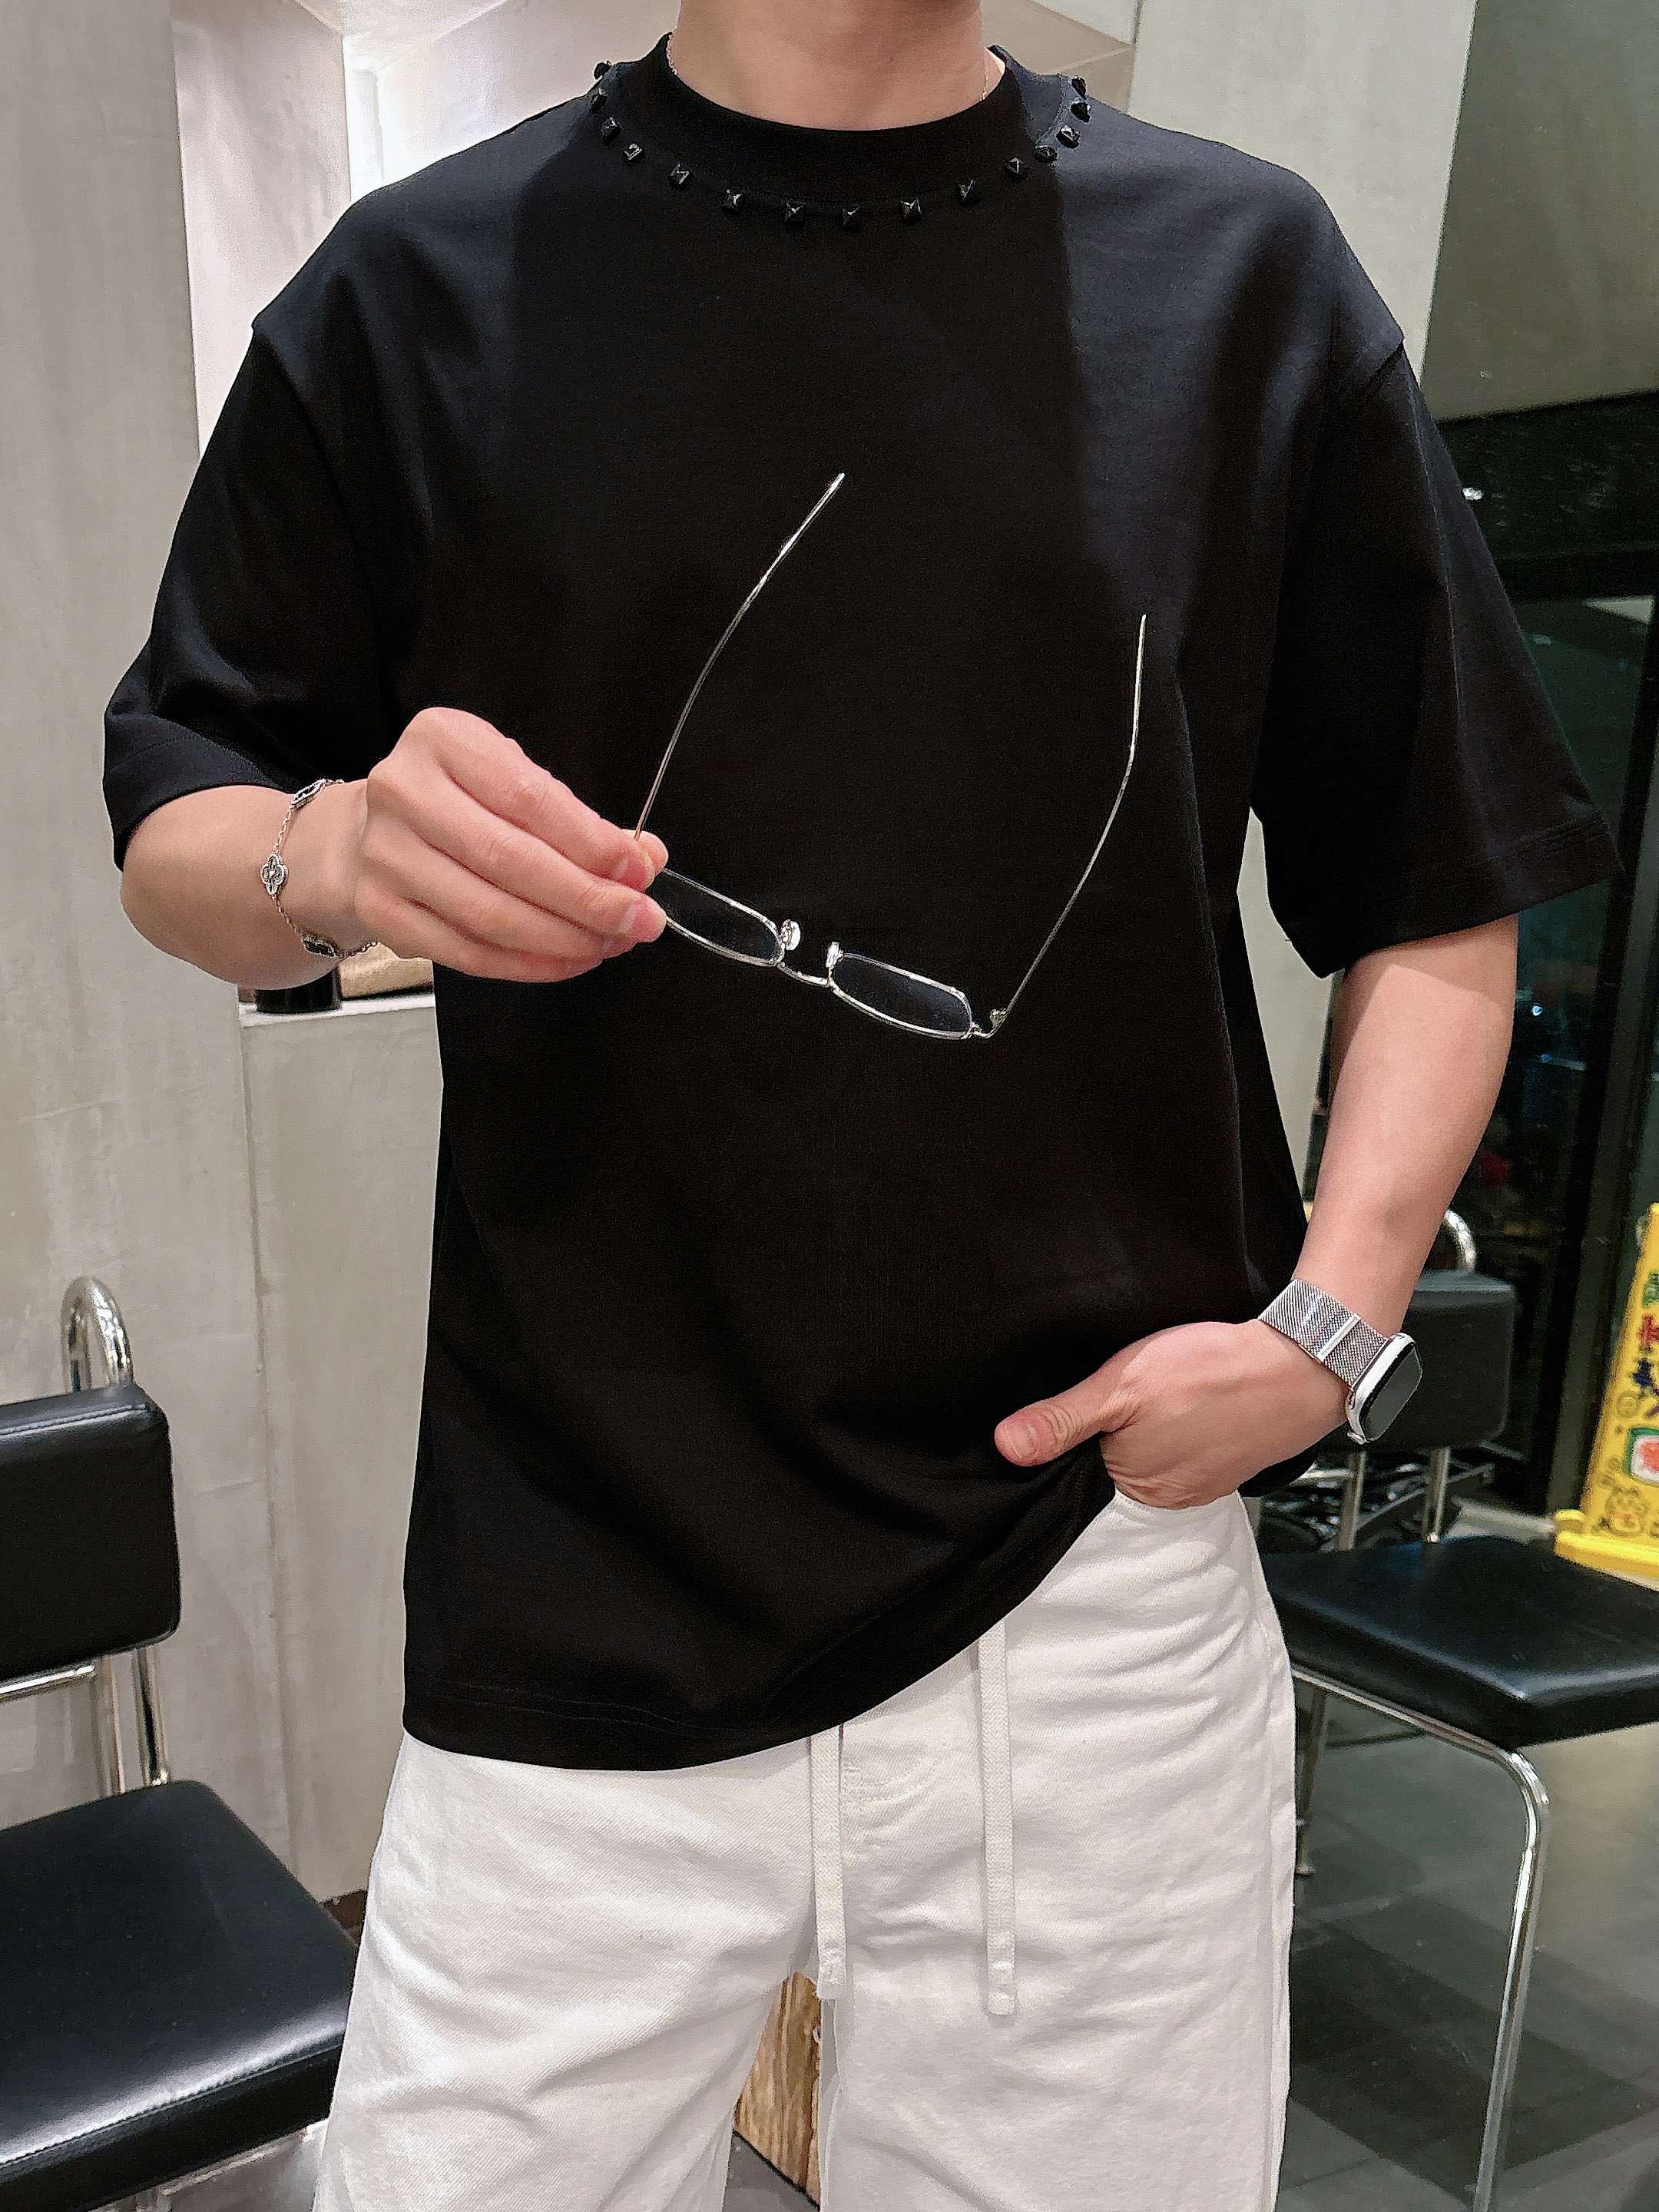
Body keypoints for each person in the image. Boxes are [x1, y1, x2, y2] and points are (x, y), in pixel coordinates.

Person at [103, 6, 1623, 2207]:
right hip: (580, 1580)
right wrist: (325, 854)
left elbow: (1441, 873)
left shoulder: (1240, 282)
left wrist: (1338, 1322)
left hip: (1091, 1587)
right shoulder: (421, 288)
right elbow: (178, 819)